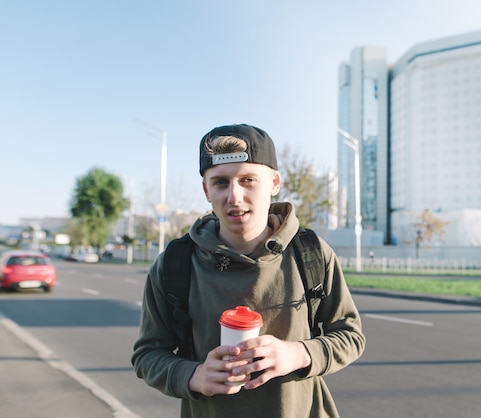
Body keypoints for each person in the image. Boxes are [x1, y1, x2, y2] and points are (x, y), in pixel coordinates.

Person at [132, 123, 366, 417]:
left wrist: (298, 354)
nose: (234, 196)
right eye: (220, 182)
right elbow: (147, 355)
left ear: (274, 183)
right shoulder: (174, 264)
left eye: (248, 179)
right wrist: (193, 375)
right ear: (206, 190)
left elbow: (350, 335)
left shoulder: (312, 254)